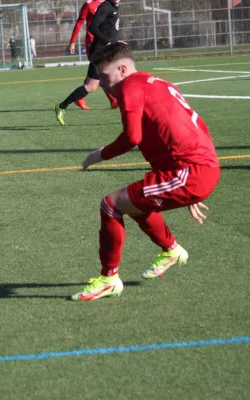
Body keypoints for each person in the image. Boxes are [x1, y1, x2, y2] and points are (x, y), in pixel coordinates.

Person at [72, 42, 220, 301]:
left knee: (111, 205)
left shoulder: (129, 87)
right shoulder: (158, 83)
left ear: (121, 69)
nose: (103, 85)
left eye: (104, 78)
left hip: (190, 171)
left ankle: (108, 279)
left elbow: (133, 137)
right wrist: (192, 183)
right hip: (194, 169)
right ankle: (171, 250)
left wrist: (98, 154)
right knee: (134, 203)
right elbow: (175, 132)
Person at [54, 0, 120, 125]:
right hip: (101, 51)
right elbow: (92, 27)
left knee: (94, 85)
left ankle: (61, 106)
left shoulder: (113, 7)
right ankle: (61, 107)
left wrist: (116, 42)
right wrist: (108, 42)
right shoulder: (105, 7)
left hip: (107, 50)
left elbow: (110, 29)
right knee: (102, 83)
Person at [66, 0, 118, 111]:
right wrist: (72, 42)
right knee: (98, 71)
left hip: (106, 43)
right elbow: (80, 22)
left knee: (100, 71)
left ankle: (112, 99)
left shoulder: (109, 3)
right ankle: (112, 99)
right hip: (94, 42)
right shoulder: (89, 4)